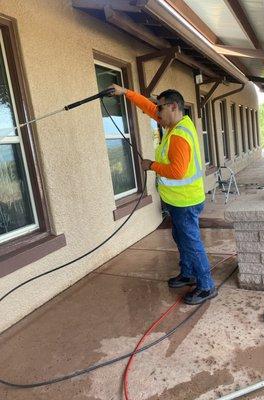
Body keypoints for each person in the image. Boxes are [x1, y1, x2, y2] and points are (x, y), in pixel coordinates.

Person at [109, 84, 217, 305]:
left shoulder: (179, 135)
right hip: (179, 201)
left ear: (173, 107)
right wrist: (125, 93)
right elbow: (149, 107)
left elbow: (177, 171)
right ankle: (187, 274)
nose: (156, 113)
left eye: (160, 109)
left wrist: (151, 165)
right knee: (181, 238)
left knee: (191, 242)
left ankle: (206, 286)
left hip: (185, 201)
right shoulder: (175, 124)